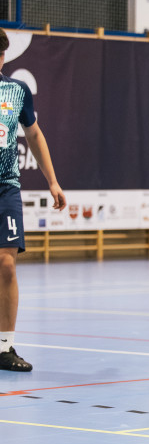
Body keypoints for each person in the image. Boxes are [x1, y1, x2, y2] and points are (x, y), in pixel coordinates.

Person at [0, 28, 66, 371]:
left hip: (5, 187)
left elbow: (35, 134)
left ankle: (4, 348)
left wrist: (52, 181)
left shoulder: (16, 90)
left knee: (7, 265)